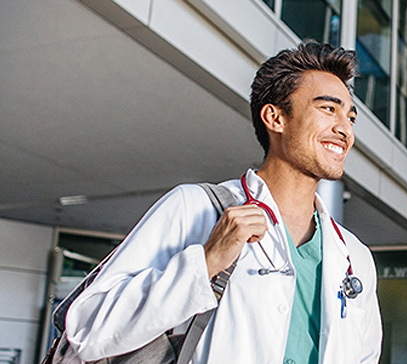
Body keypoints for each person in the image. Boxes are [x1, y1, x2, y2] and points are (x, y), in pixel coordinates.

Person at [64, 41, 382, 364]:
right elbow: (87, 330)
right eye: (329, 109)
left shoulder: (354, 256)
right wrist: (206, 262)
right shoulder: (195, 209)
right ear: (275, 118)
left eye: (350, 117)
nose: (345, 129)